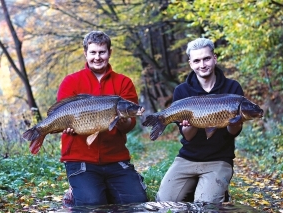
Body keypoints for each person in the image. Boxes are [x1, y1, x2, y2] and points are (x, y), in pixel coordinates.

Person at [58, 30, 148, 207]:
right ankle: (76, 191)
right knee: (92, 204)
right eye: (93, 52)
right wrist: (65, 126)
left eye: (102, 52)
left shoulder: (123, 83)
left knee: (137, 204)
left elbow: (129, 126)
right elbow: (61, 115)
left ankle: (104, 186)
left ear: (109, 53)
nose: (97, 57)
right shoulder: (71, 82)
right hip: (80, 159)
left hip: (115, 159)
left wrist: (122, 121)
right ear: (86, 53)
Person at [156, 38, 244, 204]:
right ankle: (195, 187)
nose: (202, 65)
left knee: (205, 205)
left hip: (219, 159)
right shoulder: (182, 91)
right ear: (190, 64)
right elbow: (188, 136)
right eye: (196, 61)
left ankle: (213, 190)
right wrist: (190, 125)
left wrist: (235, 122)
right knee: (165, 202)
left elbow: (233, 133)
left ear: (214, 58)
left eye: (206, 59)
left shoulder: (232, 89)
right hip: (188, 158)